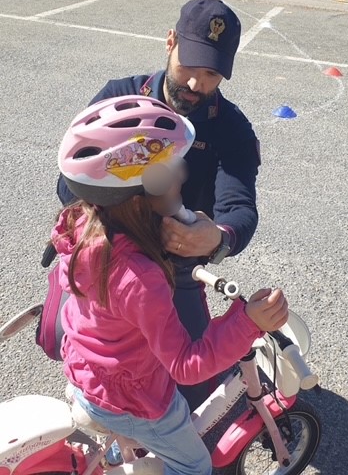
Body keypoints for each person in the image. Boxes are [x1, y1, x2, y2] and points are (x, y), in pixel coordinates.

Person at [54, 94, 288, 475]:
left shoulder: (81, 224)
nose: (182, 176)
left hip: (87, 370)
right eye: (169, 172)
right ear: (135, 197)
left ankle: (122, 451)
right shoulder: (140, 278)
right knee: (195, 466)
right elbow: (186, 365)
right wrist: (248, 322)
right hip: (132, 400)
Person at [55, 0, 261, 412]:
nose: (196, 85)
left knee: (194, 390)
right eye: (190, 66)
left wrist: (216, 238)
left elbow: (240, 205)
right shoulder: (121, 97)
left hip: (176, 267)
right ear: (170, 41)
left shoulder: (232, 128)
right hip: (111, 257)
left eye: (212, 74)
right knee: (69, 342)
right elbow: (69, 182)